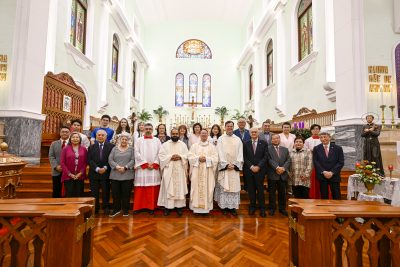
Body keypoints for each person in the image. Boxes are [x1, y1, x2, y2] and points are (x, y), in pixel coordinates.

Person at [214, 121, 243, 216]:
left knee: (233, 187)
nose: (229, 128)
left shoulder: (238, 139)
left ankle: (232, 207)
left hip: (234, 168)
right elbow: (219, 152)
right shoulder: (221, 139)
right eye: (228, 126)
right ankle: (224, 207)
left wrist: (235, 165)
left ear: (233, 127)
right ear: (225, 127)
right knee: (224, 187)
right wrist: (225, 164)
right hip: (225, 167)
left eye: (231, 126)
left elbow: (240, 153)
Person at [158, 128, 189, 216]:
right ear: (170, 134)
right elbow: (161, 155)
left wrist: (180, 157)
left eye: (176, 134)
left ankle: (179, 207)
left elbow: (187, 155)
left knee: (179, 188)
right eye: (173, 134)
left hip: (179, 169)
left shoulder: (182, 144)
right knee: (168, 187)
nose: (175, 135)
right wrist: (171, 157)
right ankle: (168, 207)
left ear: (178, 134)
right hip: (169, 169)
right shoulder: (165, 144)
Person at [188, 129, 219, 214]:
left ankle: (206, 209)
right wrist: (198, 158)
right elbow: (190, 156)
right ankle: (195, 208)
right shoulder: (194, 146)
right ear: (200, 135)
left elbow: (216, 158)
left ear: (208, 135)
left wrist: (207, 159)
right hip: (196, 171)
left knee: (208, 188)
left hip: (208, 171)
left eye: (205, 133)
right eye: (202, 133)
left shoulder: (212, 147)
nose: (204, 135)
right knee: (195, 187)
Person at [134, 123, 162, 214]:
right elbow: (136, 153)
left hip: (154, 168)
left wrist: (154, 164)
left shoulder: (157, 140)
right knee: (141, 187)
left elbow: (160, 153)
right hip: (142, 168)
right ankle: (139, 207)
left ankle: (152, 207)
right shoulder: (138, 140)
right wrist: (145, 164)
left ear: (153, 129)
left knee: (153, 187)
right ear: (143, 130)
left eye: (150, 128)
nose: (148, 130)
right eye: (146, 128)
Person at [243, 127, 269, 217]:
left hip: (260, 170)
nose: (253, 133)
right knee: (251, 190)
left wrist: (258, 166)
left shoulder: (264, 143)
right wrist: (251, 166)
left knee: (260, 190)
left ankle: (262, 208)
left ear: (258, 133)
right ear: (249, 133)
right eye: (252, 132)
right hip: (249, 170)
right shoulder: (245, 143)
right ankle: (252, 207)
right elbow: (244, 157)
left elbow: (265, 156)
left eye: (255, 132)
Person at [87, 129, 115, 214]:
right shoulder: (91, 147)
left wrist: (105, 168)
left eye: (102, 135)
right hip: (94, 173)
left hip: (106, 173)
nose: (100, 136)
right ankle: (95, 208)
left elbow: (112, 159)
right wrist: (97, 169)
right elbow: (89, 160)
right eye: (99, 135)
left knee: (106, 192)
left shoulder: (111, 146)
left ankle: (106, 207)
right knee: (94, 192)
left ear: (106, 137)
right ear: (96, 137)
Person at [108, 134, 135, 217]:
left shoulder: (131, 149)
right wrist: (117, 166)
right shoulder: (114, 148)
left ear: (128, 141)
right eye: (122, 139)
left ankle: (126, 210)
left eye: (125, 139)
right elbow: (110, 159)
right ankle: (116, 209)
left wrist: (125, 167)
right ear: (119, 140)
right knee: (116, 194)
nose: (124, 141)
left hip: (127, 175)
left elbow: (133, 160)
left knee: (126, 194)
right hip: (115, 175)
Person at [313, 132, 344, 200]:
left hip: (334, 175)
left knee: (336, 196)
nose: (323, 139)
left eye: (325, 137)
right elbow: (315, 162)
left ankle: (336, 210)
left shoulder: (338, 148)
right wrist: (323, 172)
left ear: (329, 137)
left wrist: (332, 172)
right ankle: (325, 210)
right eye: (321, 137)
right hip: (322, 176)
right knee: (324, 196)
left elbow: (341, 162)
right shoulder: (316, 148)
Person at [267, 134, 291, 216]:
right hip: (272, 174)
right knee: (272, 193)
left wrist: (283, 168)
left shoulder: (285, 149)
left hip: (283, 175)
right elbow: (268, 159)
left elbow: (288, 160)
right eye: (274, 139)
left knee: (282, 193)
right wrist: (277, 167)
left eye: (277, 138)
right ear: (271, 140)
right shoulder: (267, 149)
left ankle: (282, 208)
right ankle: (272, 208)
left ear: (279, 139)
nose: (276, 140)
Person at [60, 132, 87, 197]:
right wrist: (70, 174)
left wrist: (80, 173)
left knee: (79, 194)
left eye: (77, 137)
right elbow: (62, 163)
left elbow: (85, 162)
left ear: (80, 139)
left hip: (80, 176)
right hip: (68, 176)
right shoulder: (65, 148)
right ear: (70, 139)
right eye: (73, 137)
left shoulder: (84, 149)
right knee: (69, 194)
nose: (75, 139)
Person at [49, 126, 70, 198]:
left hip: (69, 171)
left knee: (68, 190)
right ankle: (55, 205)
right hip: (57, 170)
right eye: (63, 132)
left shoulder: (73, 143)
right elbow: (51, 156)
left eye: (66, 132)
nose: (64, 133)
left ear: (69, 133)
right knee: (56, 189)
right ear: (60, 133)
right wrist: (56, 166)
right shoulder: (54, 144)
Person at [304, 124, 322, 199]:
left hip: (321, 160)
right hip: (311, 160)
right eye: (314, 129)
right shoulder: (308, 140)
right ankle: (312, 194)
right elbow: (305, 150)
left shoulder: (322, 139)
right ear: (311, 130)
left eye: (317, 129)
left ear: (319, 130)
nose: (315, 130)